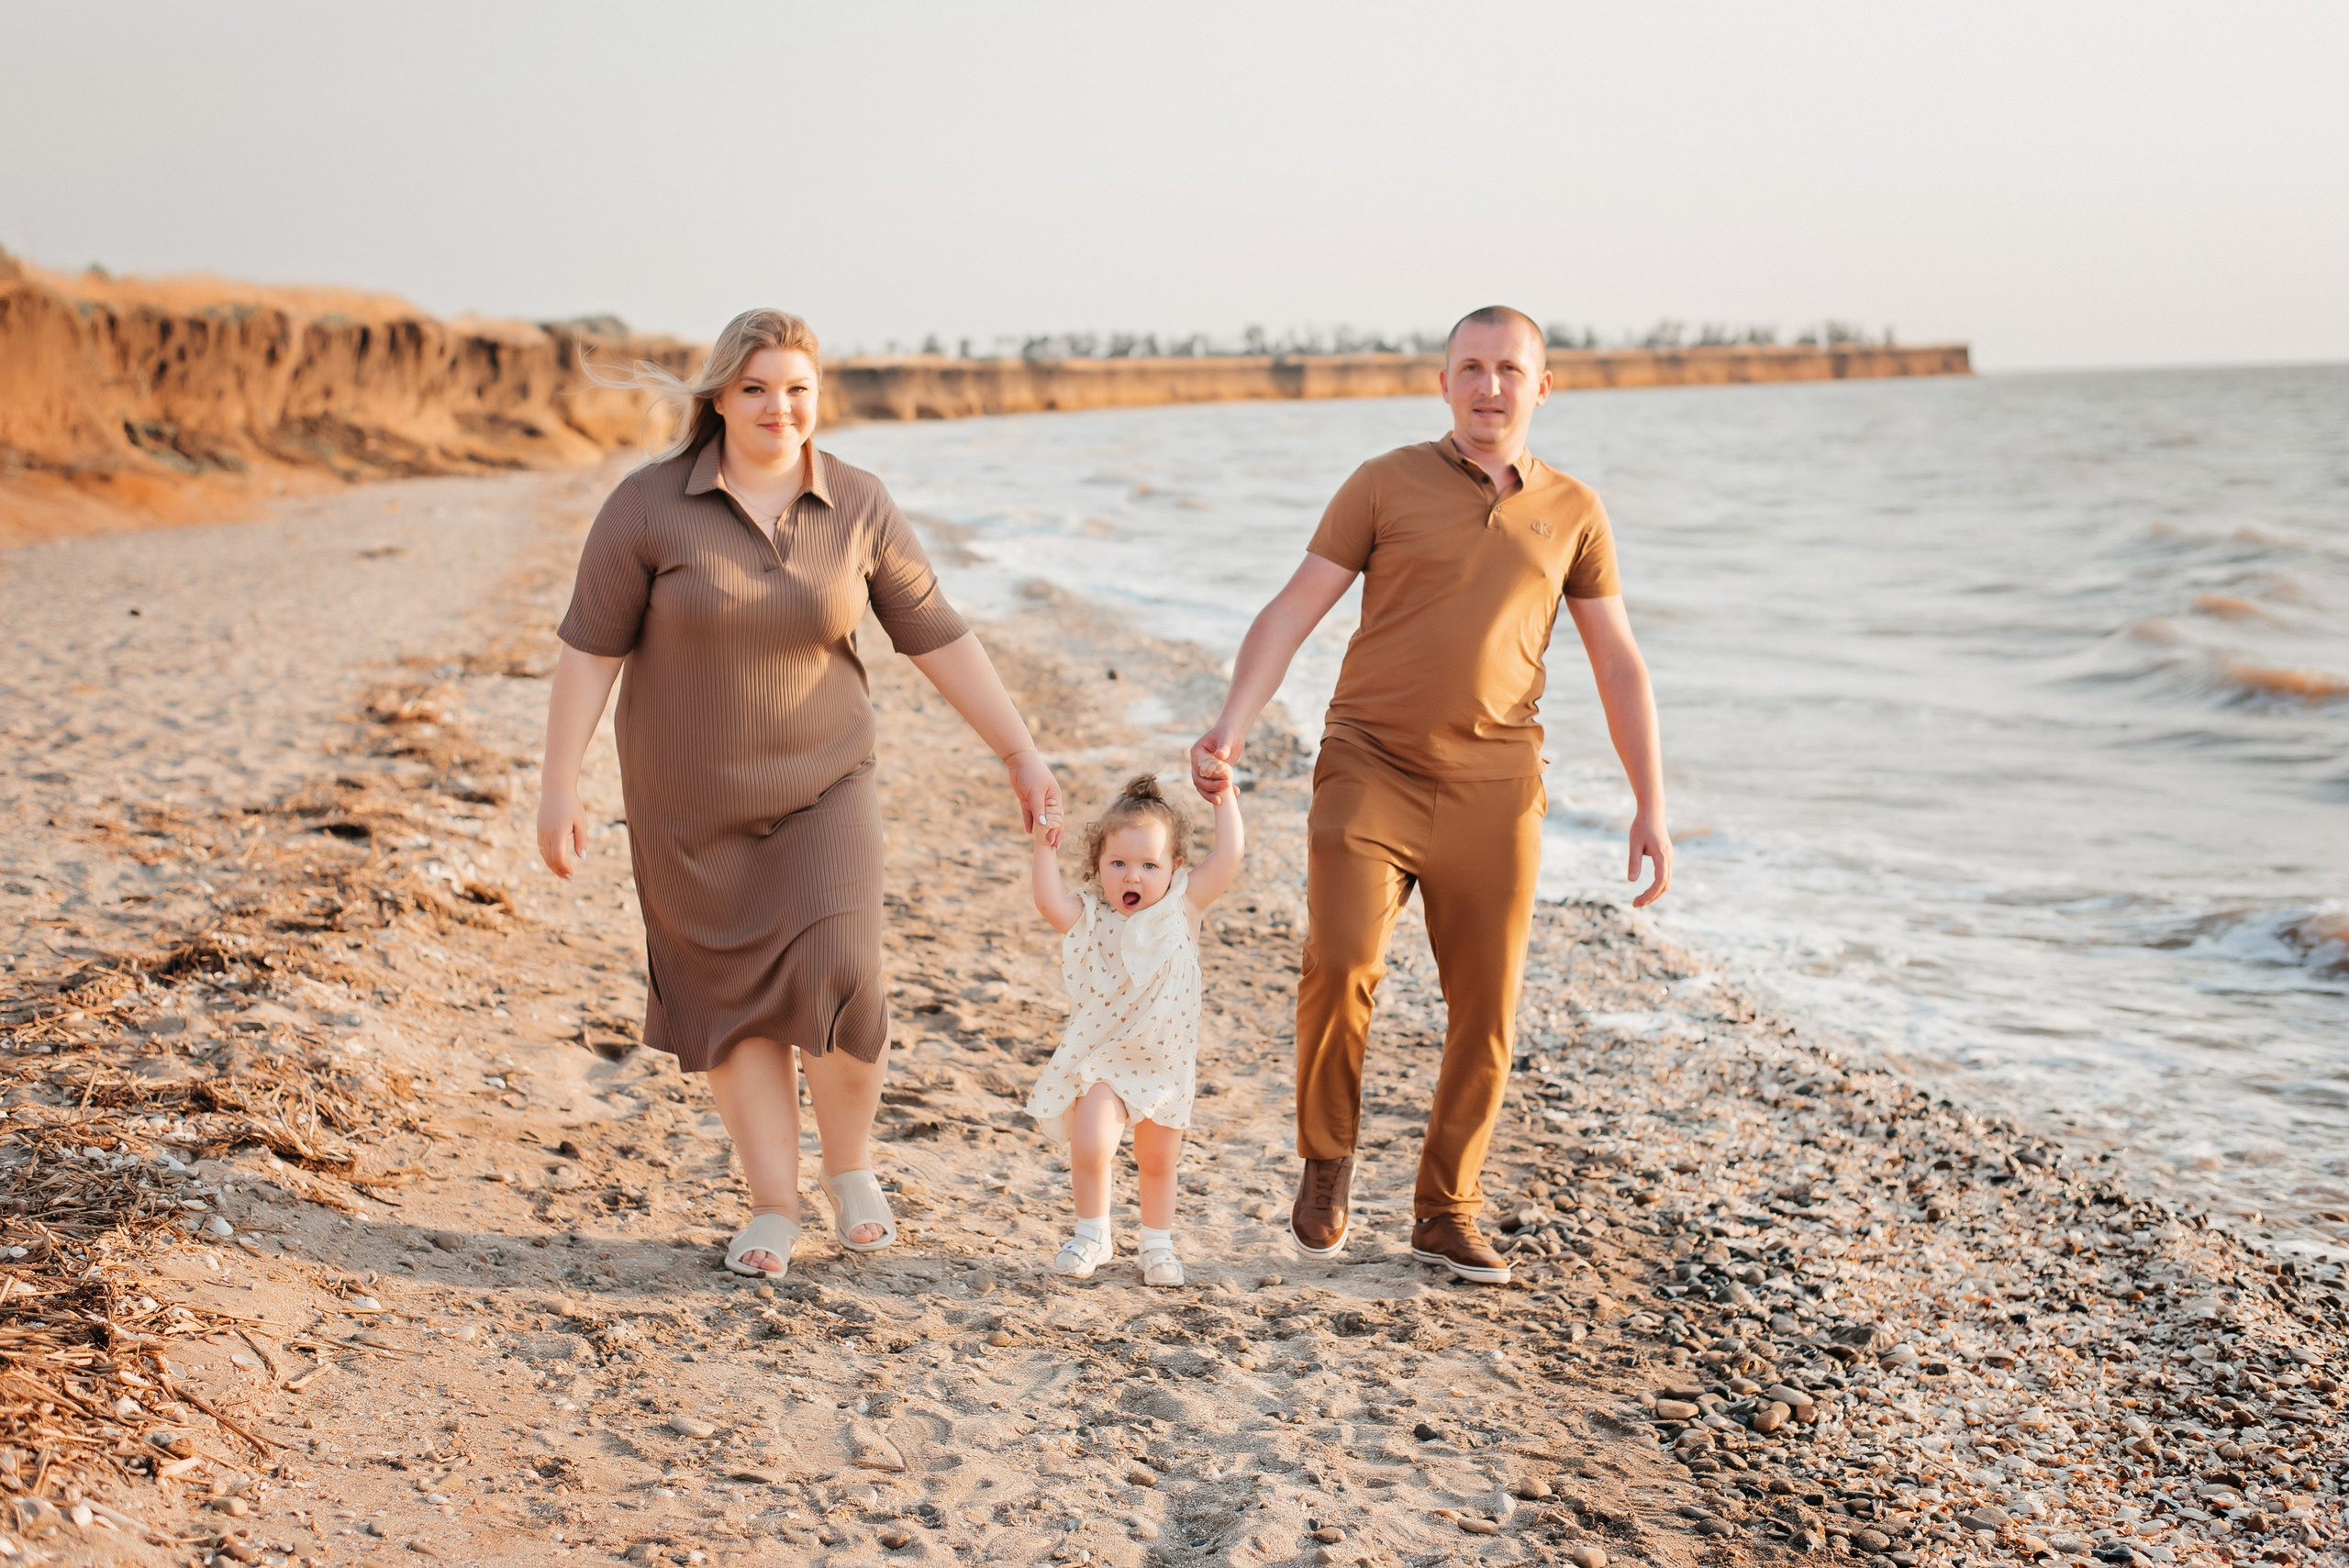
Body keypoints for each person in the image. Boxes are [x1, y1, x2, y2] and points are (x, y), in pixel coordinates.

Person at [537, 307, 1059, 1281]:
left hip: (826, 781)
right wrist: (558, 783)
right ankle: (774, 1201)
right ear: (720, 398)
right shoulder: (648, 506)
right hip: (686, 804)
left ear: (819, 398)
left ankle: (850, 1167)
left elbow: (937, 634)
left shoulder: (856, 501)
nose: (780, 407)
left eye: (798, 389)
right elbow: (588, 648)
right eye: (757, 388)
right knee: (732, 1003)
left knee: (842, 967)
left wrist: (1018, 750)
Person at [1189, 305, 1671, 1285]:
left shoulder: (1573, 509)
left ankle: (1446, 1207)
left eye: (1508, 370)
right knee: (1339, 962)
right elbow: (1291, 608)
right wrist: (1232, 721)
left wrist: (1648, 802)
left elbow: (1618, 663)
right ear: (1441, 382)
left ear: (1543, 387)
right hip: (1369, 763)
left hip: (1497, 784)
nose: (1489, 387)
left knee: (1485, 1008)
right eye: (1470, 368)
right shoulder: (1381, 483)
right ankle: (1326, 1162)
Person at [1023, 773, 1246, 1287]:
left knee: (1158, 1160)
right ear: (1098, 866)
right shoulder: (1092, 915)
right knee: (1091, 1140)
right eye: (1118, 864)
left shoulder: (1183, 907)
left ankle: (1156, 1244)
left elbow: (1230, 856)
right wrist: (1043, 848)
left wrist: (1226, 798)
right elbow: (1048, 903)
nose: (1133, 876)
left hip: (1166, 1064)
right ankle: (1091, 1233)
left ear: (1175, 869)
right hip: (1109, 1058)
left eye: (1149, 865)